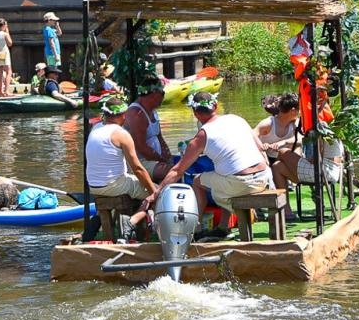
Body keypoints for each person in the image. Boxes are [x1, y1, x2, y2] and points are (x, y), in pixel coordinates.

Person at [147, 91, 272, 237]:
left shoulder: (202, 136)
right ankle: (223, 226)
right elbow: (259, 147)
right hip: (264, 177)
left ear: (195, 113)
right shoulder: (237, 118)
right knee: (222, 175)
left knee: (197, 181)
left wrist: (155, 194)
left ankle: (198, 228)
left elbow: (177, 171)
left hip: (241, 182)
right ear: (216, 106)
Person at [85, 93, 160, 239]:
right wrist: (154, 191)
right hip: (114, 185)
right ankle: (131, 223)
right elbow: (138, 168)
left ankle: (108, 224)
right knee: (158, 194)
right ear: (123, 115)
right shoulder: (121, 134)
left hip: (93, 185)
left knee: (140, 185)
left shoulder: (95, 128)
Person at [256, 93, 342, 191]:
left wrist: (284, 143)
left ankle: (280, 182)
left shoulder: (321, 127)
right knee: (277, 166)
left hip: (324, 172)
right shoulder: (334, 129)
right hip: (332, 172)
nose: (302, 111)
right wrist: (262, 148)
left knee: (283, 151)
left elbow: (315, 152)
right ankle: (284, 204)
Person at [122, 82, 174, 179]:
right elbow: (142, 148)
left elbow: (160, 137)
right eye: (159, 97)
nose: (161, 101)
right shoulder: (136, 114)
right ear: (150, 96)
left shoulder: (153, 110)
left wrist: (168, 157)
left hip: (155, 158)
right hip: (139, 162)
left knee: (181, 165)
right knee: (172, 172)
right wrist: (162, 160)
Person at [0, 18, 13, 96]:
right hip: (5, 52)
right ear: (4, 25)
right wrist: (7, 32)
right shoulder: (5, 34)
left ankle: (0, 91)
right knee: (8, 71)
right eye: (6, 25)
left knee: (0, 72)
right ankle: (6, 91)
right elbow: (10, 43)